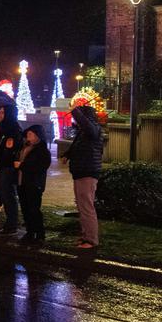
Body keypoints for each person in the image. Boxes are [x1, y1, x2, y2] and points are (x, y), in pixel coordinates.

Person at [62, 105, 103, 249]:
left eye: (79, 117)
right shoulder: (84, 132)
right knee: (82, 205)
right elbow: (75, 146)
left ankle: (91, 240)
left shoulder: (93, 129)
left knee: (86, 206)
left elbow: (87, 126)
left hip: (88, 171)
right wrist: (67, 155)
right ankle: (85, 236)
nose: (76, 120)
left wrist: (75, 111)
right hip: (80, 172)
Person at [15, 125, 51, 245]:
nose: (28, 137)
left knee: (33, 209)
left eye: (30, 134)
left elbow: (39, 167)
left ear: (37, 136)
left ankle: (39, 233)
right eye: (28, 135)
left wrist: (21, 165)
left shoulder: (42, 150)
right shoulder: (26, 147)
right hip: (22, 182)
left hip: (34, 183)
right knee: (25, 208)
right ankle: (30, 232)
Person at [0, 104, 23, 235]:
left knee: (8, 195)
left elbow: (8, 148)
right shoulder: (5, 129)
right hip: (3, 166)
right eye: (0, 112)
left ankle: (12, 225)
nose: (0, 115)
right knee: (5, 194)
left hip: (8, 167)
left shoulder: (12, 130)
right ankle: (10, 223)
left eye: (3, 113)